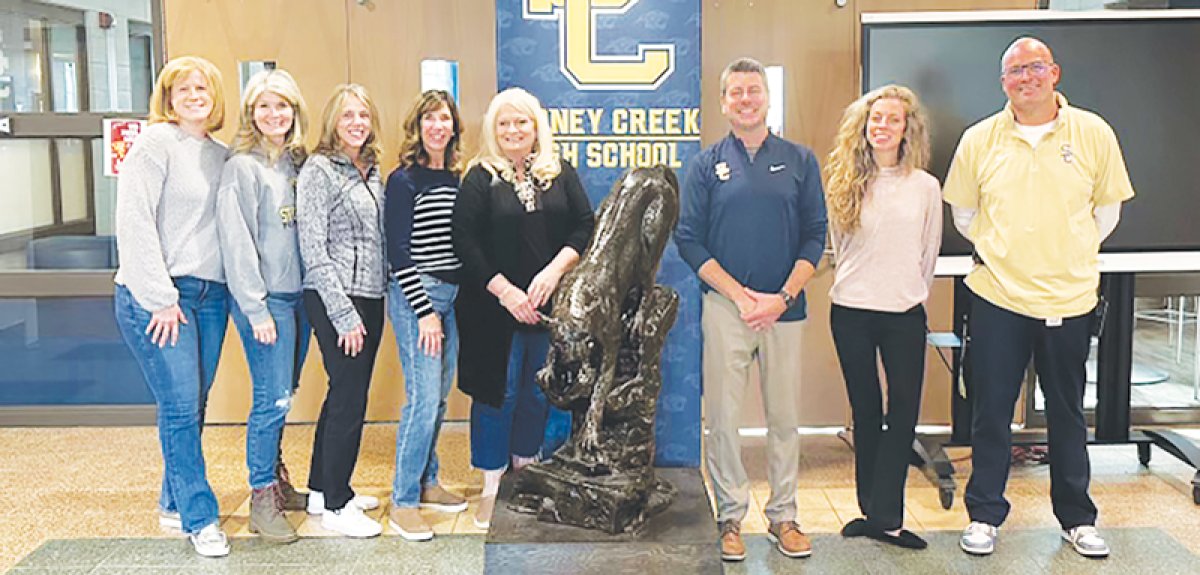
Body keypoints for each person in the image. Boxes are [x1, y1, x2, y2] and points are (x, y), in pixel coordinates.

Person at [944, 37, 1134, 559]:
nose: (1025, 78)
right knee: (991, 412)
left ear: (1053, 73)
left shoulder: (1093, 133)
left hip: (1068, 299)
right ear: (1003, 82)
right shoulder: (979, 138)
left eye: (1034, 68)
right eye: (1013, 71)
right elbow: (964, 216)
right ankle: (984, 515)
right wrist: (1007, 255)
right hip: (998, 297)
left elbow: (1106, 213)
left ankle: (1077, 519)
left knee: (1069, 413)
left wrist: (1065, 255)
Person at [675, 57, 827, 562]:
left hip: (785, 307)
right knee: (722, 417)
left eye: (753, 90)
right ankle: (730, 517)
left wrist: (780, 297)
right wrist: (741, 296)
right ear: (723, 102)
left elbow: (815, 237)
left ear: (766, 97)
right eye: (735, 92)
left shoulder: (801, 159)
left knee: (785, 418)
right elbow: (689, 240)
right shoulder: (705, 164)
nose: (745, 99)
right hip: (726, 308)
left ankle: (783, 515)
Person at [452, 87, 595, 530]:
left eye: (522, 122)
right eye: (504, 123)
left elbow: (584, 224)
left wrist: (553, 272)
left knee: (537, 392)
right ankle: (492, 486)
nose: (513, 131)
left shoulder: (559, 171)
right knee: (499, 394)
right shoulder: (480, 176)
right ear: (493, 131)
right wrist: (507, 292)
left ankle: (524, 472)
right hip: (493, 310)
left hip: (546, 308)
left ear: (536, 127)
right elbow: (464, 240)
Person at [113, 56, 232, 557]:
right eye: (181, 88)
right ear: (167, 97)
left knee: (192, 404)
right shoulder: (154, 144)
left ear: (215, 95)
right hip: (159, 298)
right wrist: (160, 297)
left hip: (211, 297)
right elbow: (135, 223)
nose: (192, 95)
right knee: (181, 407)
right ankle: (200, 518)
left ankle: (172, 500)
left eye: (201, 87)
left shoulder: (222, 153)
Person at [824, 85, 941, 550]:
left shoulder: (925, 187)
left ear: (906, 128)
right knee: (866, 412)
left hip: (904, 313)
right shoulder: (844, 180)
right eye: (876, 118)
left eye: (893, 119)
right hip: (851, 310)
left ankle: (888, 516)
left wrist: (908, 291)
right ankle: (870, 510)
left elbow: (928, 252)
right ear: (864, 125)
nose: (883, 126)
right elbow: (839, 247)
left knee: (903, 412)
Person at [215, 69, 312, 543]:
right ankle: (261, 499)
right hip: (266, 300)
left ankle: (278, 479)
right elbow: (237, 245)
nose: (275, 115)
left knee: (284, 393)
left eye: (283, 106)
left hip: (298, 299)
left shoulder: (297, 163)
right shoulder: (242, 167)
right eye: (265, 106)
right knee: (270, 401)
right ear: (251, 113)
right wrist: (255, 310)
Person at [297, 84, 387, 538]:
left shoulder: (371, 169)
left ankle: (321, 488)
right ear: (333, 120)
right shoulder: (319, 170)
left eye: (364, 115)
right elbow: (312, 247)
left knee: (342, 394)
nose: (356, 123)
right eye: (348, 115)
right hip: (336, 296)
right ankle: (337, 505)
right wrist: (343, 313)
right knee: (351, 399)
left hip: (372, 294)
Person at [384, 90, 469, 541]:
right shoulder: (404, 180)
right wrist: (424, 313)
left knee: (437, 397)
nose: (437, 126)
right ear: (417, 128)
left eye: (444, 118)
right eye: (429, 119)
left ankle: (427, 480)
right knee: (420, 399)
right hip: (418, 298)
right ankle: (403, 500)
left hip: (451, 297)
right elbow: (398, 253)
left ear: (454, 126)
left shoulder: (457, 179)